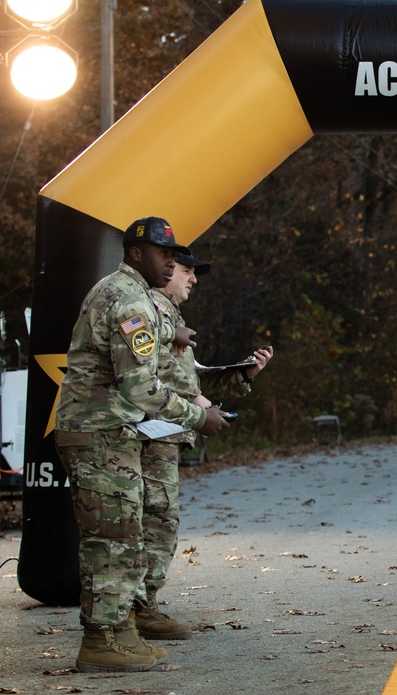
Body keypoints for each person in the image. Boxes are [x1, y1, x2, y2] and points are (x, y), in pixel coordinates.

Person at [54, 217, 231, 673]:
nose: (171, 263)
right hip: (98, 433)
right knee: (111, 539)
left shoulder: (129, 296)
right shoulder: (129, 300)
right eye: (162, 254)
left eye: (173, 255)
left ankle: (121, 631)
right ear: (136, 253)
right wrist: (198, 416)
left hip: (111, 433)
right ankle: (99, 640)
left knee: (125, 536)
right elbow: (140, 387)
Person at [138, 251, 273, 641]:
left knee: (158, 522)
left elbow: (194, 383)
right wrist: (202, 408)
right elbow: (163, 382)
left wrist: (243, 373)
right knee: (154, 524)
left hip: (165, 435)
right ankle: (139, 610)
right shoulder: (153, 314)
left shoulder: (171, 319)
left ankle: (141, 606)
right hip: (151, 433)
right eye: (186, 271)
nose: (193, 279)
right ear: (165, 271)